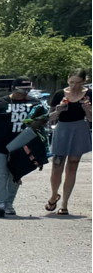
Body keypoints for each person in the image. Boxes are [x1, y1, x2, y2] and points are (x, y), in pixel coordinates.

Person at [0, 79, 33, 217]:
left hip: (23, 146)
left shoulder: (34, 103)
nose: (25, 93)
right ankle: (1, 204)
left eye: (28, 89)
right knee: (2, 172)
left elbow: (42, 122)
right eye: (22, 90)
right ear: (13, 88)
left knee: (15, 174)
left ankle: (9, 202)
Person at [46, 70, 88, 215]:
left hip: (79, 128)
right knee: (57, 165)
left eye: (78, 82)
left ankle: (64, 203)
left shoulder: (89, 94)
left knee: (72, 166)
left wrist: (87, 108)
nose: (74, 85)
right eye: (72, 82)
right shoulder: (59, 94)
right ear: (68, 79)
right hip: (62, 128)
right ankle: (53, 195)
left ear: (83, 81)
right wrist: (58, 110)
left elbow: (91, 119)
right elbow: (50, 118)